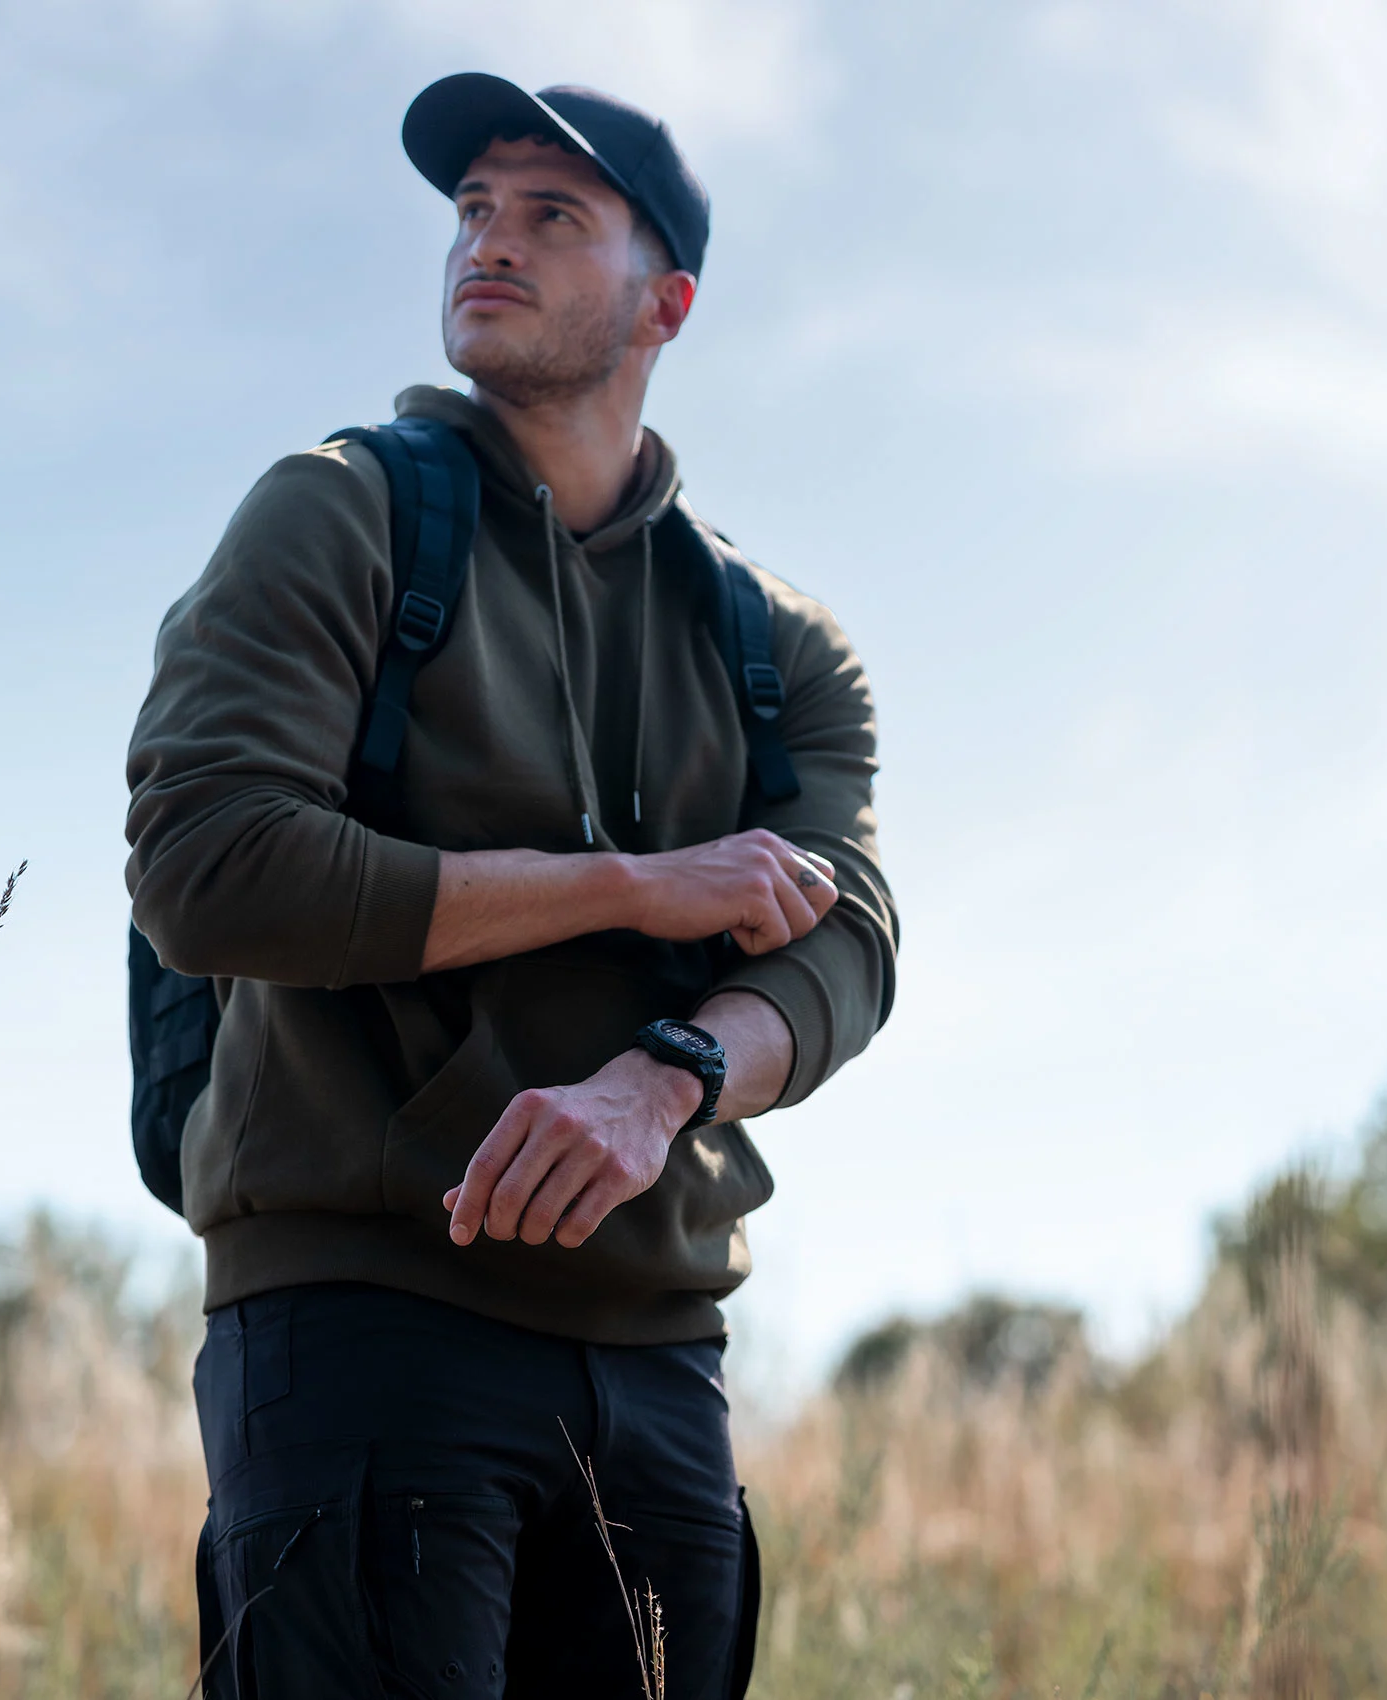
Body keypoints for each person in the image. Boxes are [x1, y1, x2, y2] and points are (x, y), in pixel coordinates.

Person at [124, 73, 897, 1699]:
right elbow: (207, 862)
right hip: (362, 1315)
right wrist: (628, 884)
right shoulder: (337, 510)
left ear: (666, 302)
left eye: (555, 214)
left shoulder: (776, 643)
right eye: (476, 207)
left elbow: (850, 945)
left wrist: (661, 1081)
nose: (491, 240)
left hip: (663, 1352)